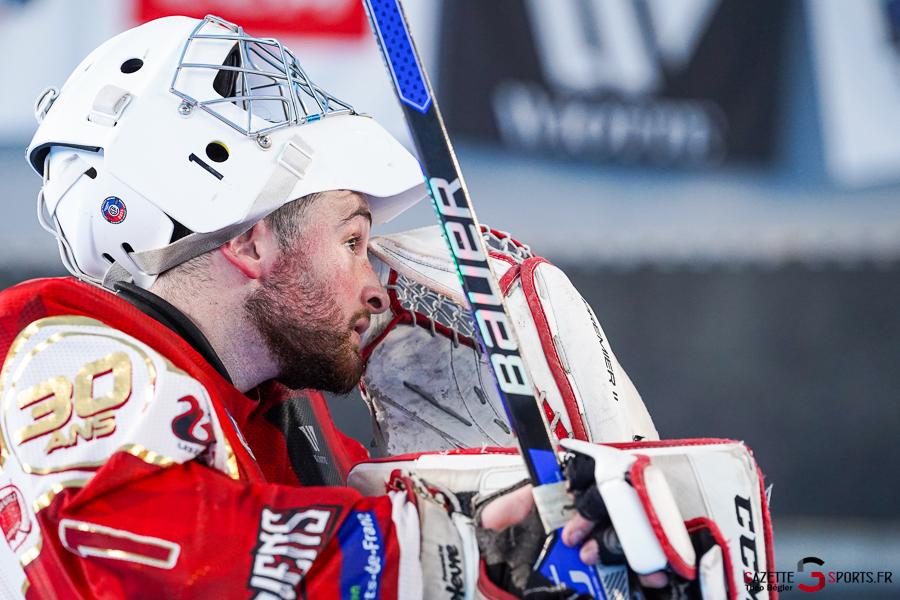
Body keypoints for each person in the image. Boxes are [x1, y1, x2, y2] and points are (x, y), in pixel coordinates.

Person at [1, 14, 771, 600]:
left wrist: (539, 541)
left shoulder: (269, 433)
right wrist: (463, 554)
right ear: (253, 242)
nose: (377, 284)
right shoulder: (55, 351)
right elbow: (123, 549)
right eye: (353, 239)